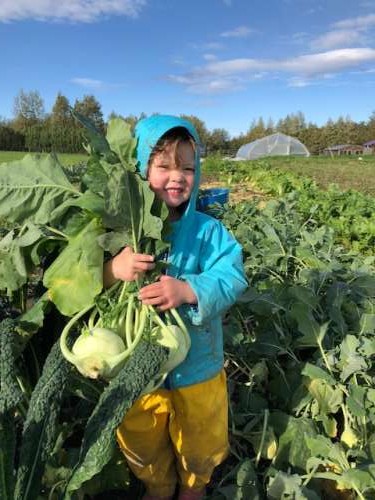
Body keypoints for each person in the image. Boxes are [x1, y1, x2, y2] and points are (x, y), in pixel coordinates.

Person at [104, 115, 248, 500]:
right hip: (137, 369)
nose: (177, 177)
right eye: (164, 166)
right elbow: (87, 280)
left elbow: (232, 275)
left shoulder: (207, 230)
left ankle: (192, 485)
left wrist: (188, 290)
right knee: (141, 437)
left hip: (197, 365)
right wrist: (114, 268)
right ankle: (157, 483)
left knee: (200, 438)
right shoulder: (119, 230)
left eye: (187, 168)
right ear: (142, 168)